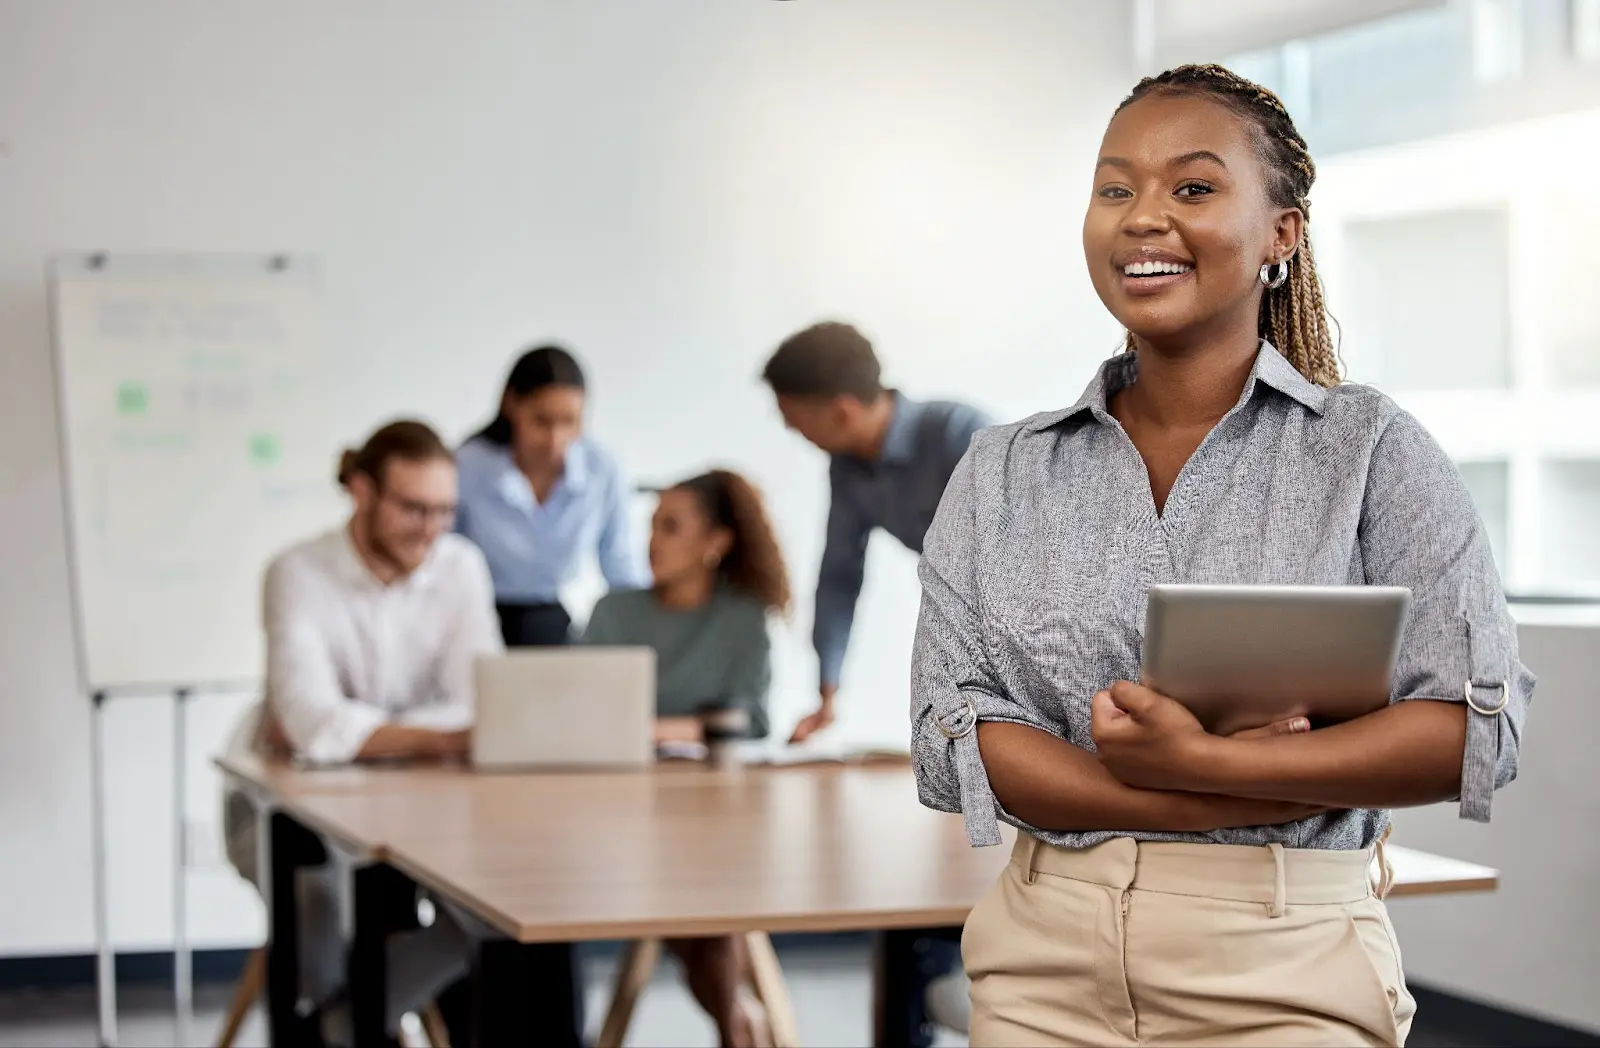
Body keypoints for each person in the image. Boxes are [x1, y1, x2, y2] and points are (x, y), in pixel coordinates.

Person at [911, 64, 1535, 1047]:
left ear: (1280, 234)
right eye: (1114, 188)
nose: (1141, 217)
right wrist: (1204, 784)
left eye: (1191, 188)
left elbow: (1473, 727)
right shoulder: (1001, 468)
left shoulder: (1369, 450)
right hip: (1042, 964)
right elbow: (953, 734)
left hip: (1286, 961)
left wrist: (1191, 760)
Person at [221, 420, 582, 1046]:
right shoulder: (297, 573)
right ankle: (347, 1021)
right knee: (316, 918)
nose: (431, 528)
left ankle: (348, 1024)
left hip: (417, 805)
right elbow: (309, 722)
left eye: (444, 510)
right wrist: (442, 736)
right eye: (413, 508)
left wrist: (361, 732)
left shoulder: (460, 567)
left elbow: (478, 702)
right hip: (279, 809)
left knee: (497, 907)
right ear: (361, 491)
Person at [761, 321, 989, 1045]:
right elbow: (839, 575)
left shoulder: (958, 434)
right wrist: (826, 686)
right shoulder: (849, 469)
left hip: (1007, 640)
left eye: (795, 420)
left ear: (840, 409)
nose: (794, 435)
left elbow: (1026, 553)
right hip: (955, 634)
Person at [582, 469, 790, 1048]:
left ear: (714, 544)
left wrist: (643, 727)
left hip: (717, 817)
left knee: (712, 900)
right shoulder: (612, 612)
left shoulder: (742, 617)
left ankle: (734, 1021)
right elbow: (578, 713)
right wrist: (694, 725)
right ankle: (736, 1022)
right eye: (651, 526)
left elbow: (751, 720)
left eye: (671, 527)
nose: (654, 542)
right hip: (620, 817)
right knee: (707, 908)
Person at [455, 344, 650, 647]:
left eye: (569, 422)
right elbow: (443, 560)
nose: (555, 440)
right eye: (542, 422)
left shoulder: (602, 468)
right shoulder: (467, 465)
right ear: (511, 405)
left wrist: (648, 632)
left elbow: (621, 565)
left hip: (552, 622)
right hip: (476, 619)